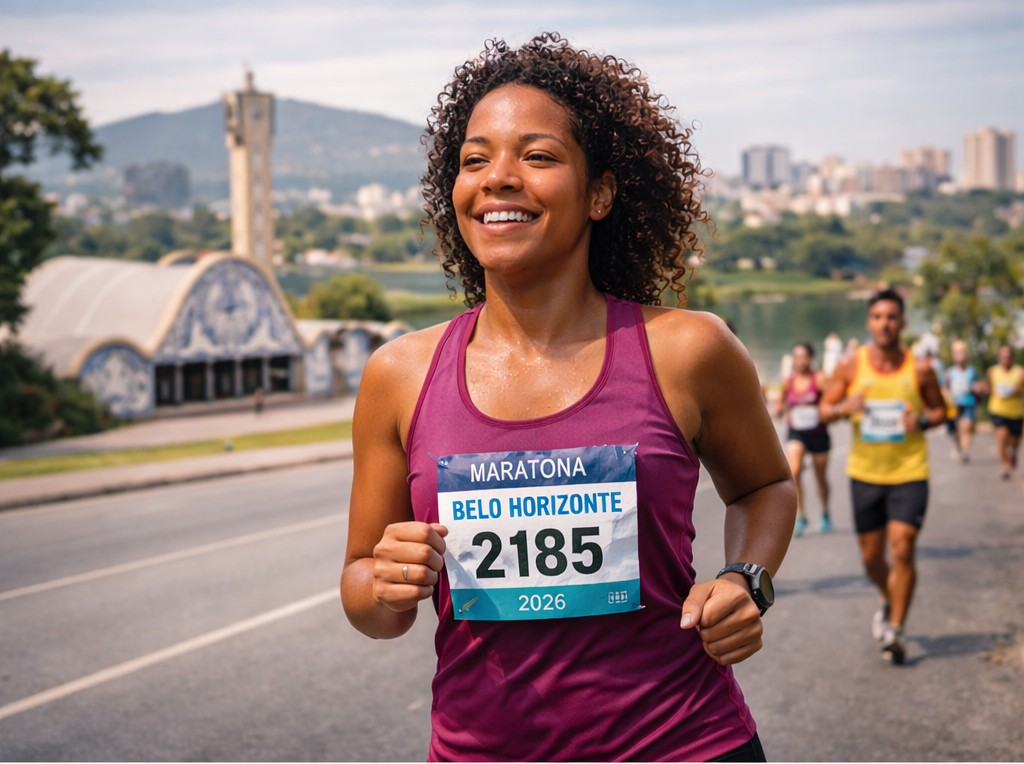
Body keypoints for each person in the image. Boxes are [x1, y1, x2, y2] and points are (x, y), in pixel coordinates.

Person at [340, 33, 796, 762]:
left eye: (539, 155)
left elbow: (766, 485)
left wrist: (747, 579)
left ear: (601, 194)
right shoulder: (397, 373)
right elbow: (367, 599)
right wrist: (385, 585)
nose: (498, 178)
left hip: (685, 746)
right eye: (475, 158)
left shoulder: (689, 350)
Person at [820, 289, 946, 664]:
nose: (884, 323)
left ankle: (896, 629)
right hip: (865, 473)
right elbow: (825, 408)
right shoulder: (851, 365)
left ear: (902, 323)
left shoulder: (920, 368)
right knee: (872, 559)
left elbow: (940, 411)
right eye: (877, 317)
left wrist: (920, 421)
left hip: (910, 471)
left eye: (891, 317)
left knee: (903, 546)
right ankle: (888, 595)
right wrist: (846, 406)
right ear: (868, 322)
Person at [775, 342, 831, 536]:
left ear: (811, 358)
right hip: (796, 432)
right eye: (796, 357)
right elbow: (781, 402)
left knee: (820, 477)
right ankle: (801, 515)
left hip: (818, 433)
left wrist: (826, 409)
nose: (800, 361)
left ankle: (825, 512)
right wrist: (780, 409)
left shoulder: (820, 379)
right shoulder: (788, 381)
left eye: (803, 357)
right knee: (795, 470)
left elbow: (830, 400)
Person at [984, 344, 1023, 480]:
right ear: (999, 357)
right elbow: (987, 387)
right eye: (1003, 356)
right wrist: (995, 391)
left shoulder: (1020, 372)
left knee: (1014, 442)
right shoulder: (992, 372)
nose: (1005, 359)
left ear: (1012, 357)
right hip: (998, 409)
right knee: (1002, 436)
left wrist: (1014, 390)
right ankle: (1004, 466)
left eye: (1008, 356)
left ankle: (1012, 454)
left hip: (1016, 411)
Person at [942, 340, 981, 463]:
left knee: (967, 426)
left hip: (968, 403)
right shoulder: (950, 372)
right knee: (954, 430)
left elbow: (977, 385)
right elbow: (944, 388)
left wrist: (977, 388)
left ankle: (965, 451)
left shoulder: (972, 371)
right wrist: (948, 397)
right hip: (953, 405)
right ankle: (958, 446)